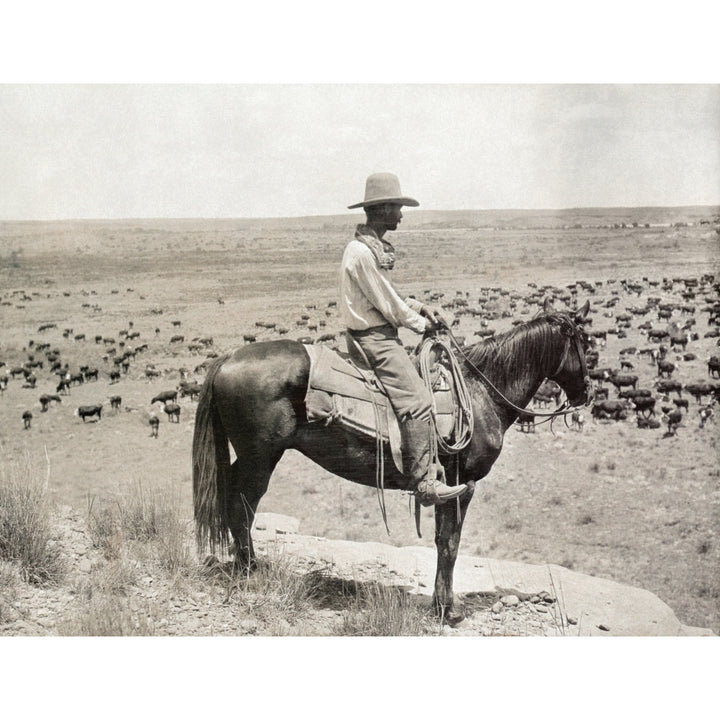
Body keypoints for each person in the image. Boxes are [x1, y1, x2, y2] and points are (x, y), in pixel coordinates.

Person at [339, 172, 467, 506]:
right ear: (381, 210)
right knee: (419, 401)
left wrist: (421, 307)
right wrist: (421, 324)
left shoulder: (367, 249)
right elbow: (388, 306)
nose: (401, 214)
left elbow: (388, 296)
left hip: (377, 333)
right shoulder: (362, 254)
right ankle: (424, 482)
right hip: (375, 341)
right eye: (396, 207)